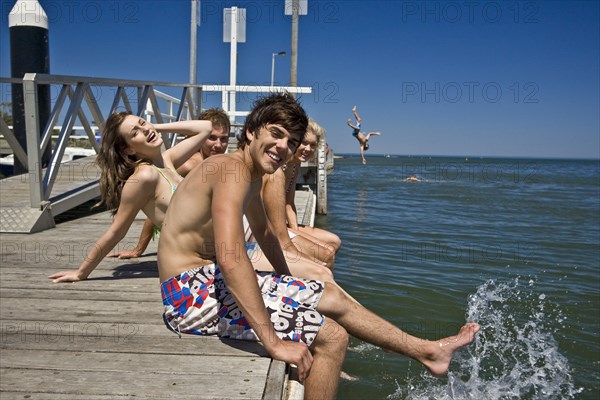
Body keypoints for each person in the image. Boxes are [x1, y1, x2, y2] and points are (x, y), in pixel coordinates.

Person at [157, 93, 480, 399]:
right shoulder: (230, 169)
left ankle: (427, 351)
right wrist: (273, 342)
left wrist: (288, 281)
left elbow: (266, 235)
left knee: (331, 294)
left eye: (292, 142)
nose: (283, 146)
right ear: (252, 132)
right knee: (332, 336)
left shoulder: (249, 174)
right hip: (188, 296)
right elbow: (232, 259)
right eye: (276, 133)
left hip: (206, 280)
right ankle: (413, 353)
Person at [48, 112, 212, 283]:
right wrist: (81, 273)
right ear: (129, 149)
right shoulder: (144, 176)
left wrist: (152, 127)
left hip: (218, 250)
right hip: (197, 262)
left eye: (143, 123)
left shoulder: (166, 160)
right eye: (135, 133)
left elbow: (205, 128)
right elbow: (116, 231)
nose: (145, 129)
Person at [107, 108, 231, 259]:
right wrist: (138, 249)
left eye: (224, 139)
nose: (218, 145)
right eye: (212, 138)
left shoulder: (219, 163)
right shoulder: (189, 165)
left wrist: (151, 127)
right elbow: (159, 204)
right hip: (192, 250)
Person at [280, 119, 341, 269]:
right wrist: (296, 236)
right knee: (326, 253)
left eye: (312, 145)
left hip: (283, 224)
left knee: (334, 241)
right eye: (304, 143)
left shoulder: (295, 164)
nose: (308, 148)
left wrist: (295, 230)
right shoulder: (281, 166)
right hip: (269, 227)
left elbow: (289, 203)